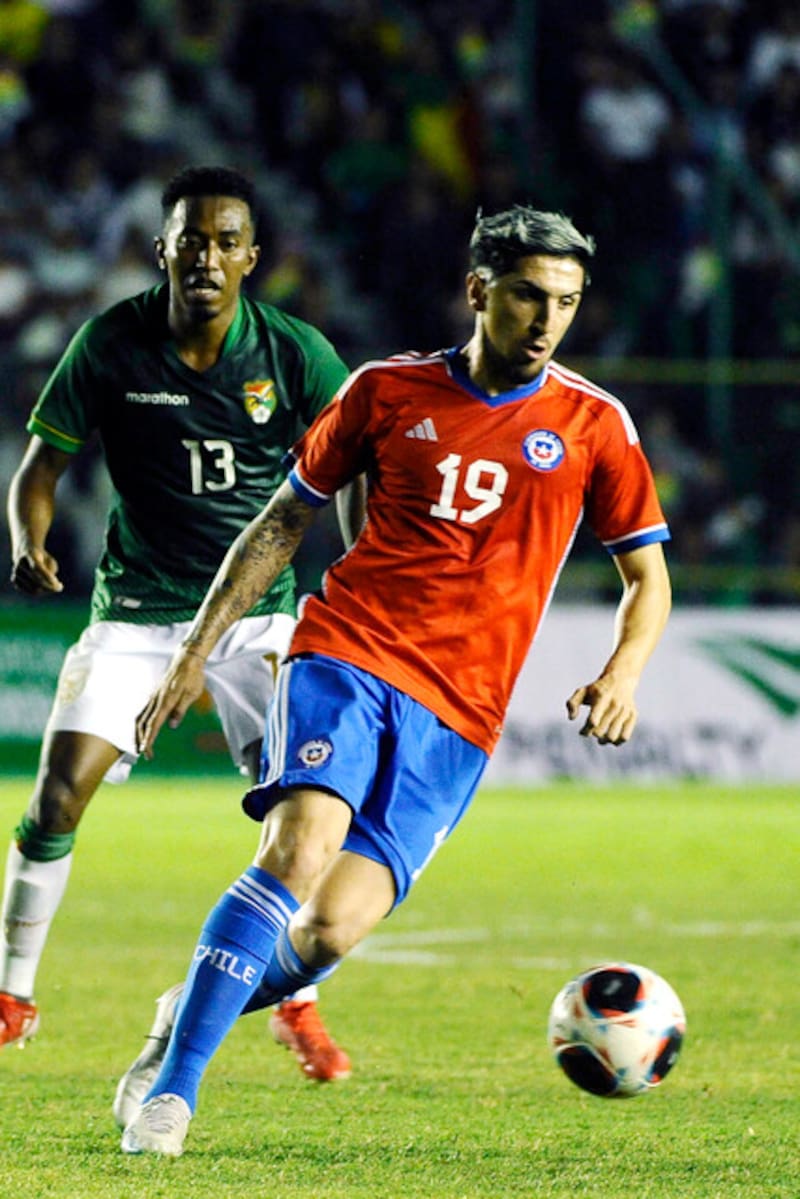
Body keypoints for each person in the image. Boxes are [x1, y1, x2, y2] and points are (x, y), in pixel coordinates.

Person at [119, 204, 672, 1156]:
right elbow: (283, 521)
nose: (547, 319)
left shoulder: (594, 424)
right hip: (351, 651)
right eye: (528, 296)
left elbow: (648, 577)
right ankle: (172, 1097)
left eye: (567, 302)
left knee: (330, 931)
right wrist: (197, 648)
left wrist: (623, 671)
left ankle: (188, 1007)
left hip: (461, 714)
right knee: (299, 848)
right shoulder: (384, 390)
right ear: (478, 291)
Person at [3, 166, 356, 1097]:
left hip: (256, 619)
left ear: (251, 257)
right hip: (136, 610)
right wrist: (29, 537)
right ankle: (11, 994)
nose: (205, 255)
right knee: (56, 798)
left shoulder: (295, 354)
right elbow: (40, 466)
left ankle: (295, 999)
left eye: (224, 241)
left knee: (309, 814)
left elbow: (357, 460)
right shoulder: (110, 343)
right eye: (189, 239)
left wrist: (361, 556)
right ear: (161, 249)